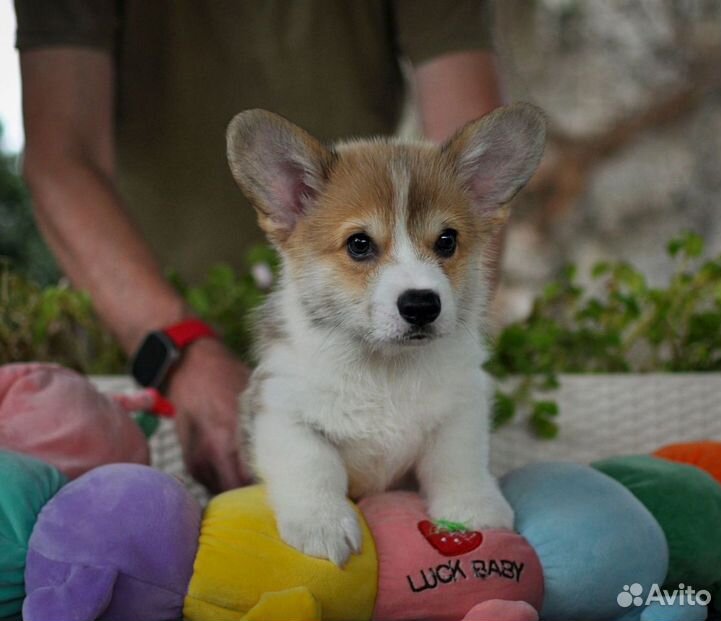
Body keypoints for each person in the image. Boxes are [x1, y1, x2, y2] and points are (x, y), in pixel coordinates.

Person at [14, 0, 503, 493]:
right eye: (360, 245)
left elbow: (468, 157)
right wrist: (179, 353)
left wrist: (435, 382)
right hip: (143, 324)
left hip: (375, 339)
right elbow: (61, 158)